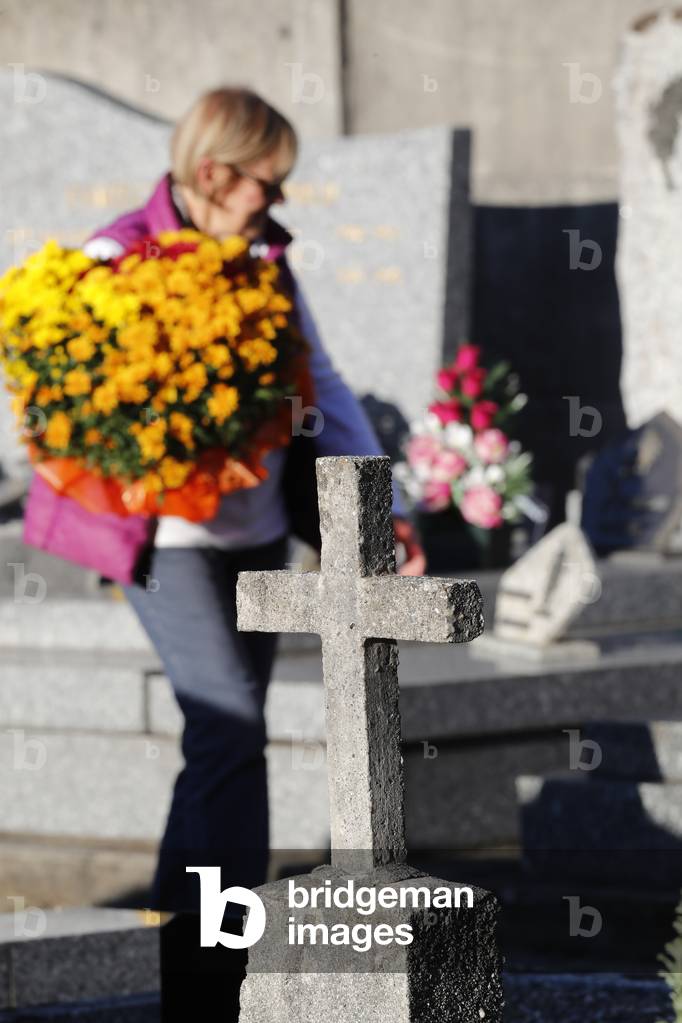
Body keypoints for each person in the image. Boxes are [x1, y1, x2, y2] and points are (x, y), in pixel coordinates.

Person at [83, 85, 425, 1017]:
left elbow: (327, 381)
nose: (276, 204)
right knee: (231, 727)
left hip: (259, 534)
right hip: (169, 542)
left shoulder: (267, 262)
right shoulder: (114, 260)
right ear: (211, 174)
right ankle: (221, 974)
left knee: (219, 747)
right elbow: (73, 407)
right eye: (266, 185)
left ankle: (180, 952)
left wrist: (374, 507)